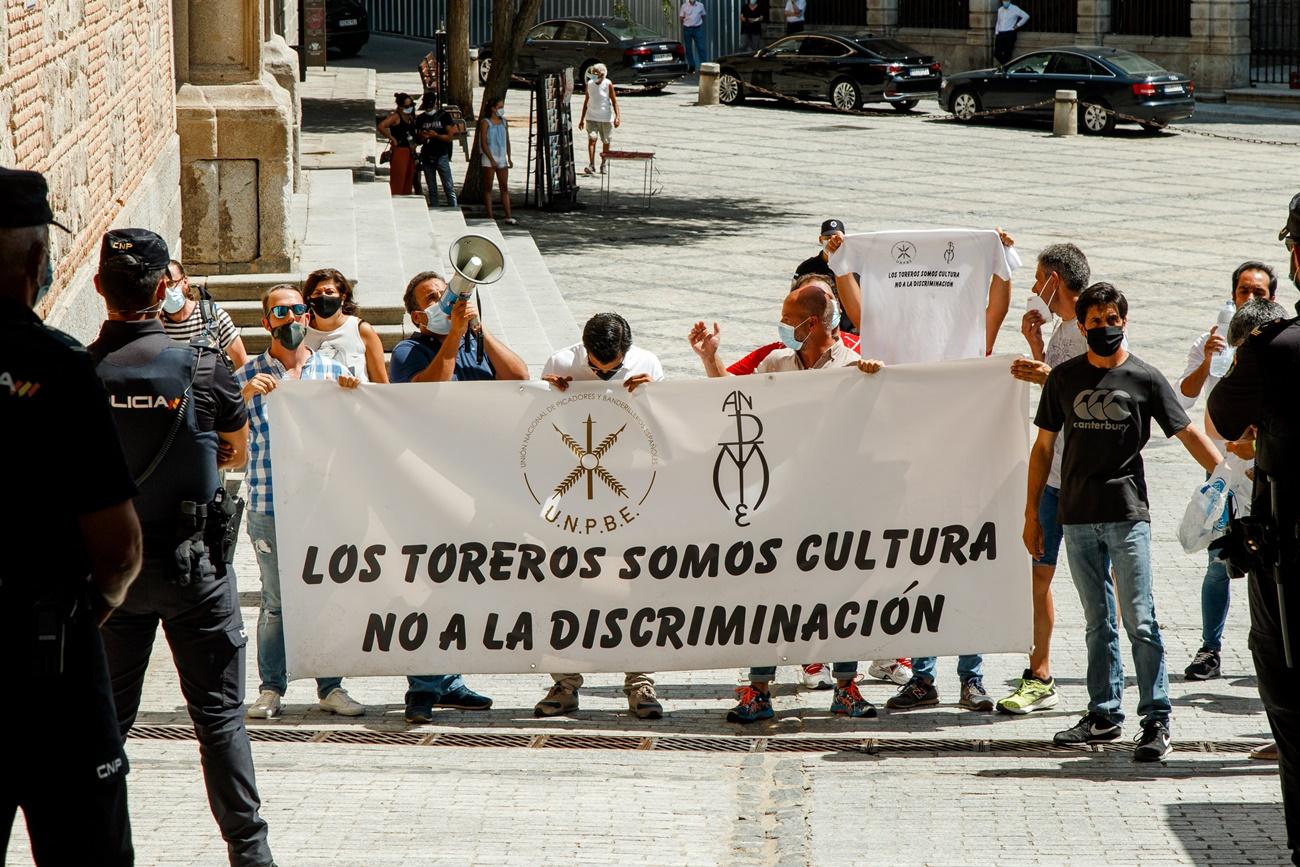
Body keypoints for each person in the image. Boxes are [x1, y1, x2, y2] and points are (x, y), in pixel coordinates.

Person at [88, 229, 275, 867]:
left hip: (113, 579)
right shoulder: (204, 368)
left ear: (97, 289)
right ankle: (250, 856)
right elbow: (236, 447)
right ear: (167, 286)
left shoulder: (81, 373)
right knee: (219, 720)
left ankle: (98, 848)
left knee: (103, 725)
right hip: (194, 571)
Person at [0, 168, 141, 866]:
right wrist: (86, 613)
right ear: (34, 260)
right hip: (48, 662)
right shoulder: (55, 366)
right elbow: (118, 549)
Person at [1026, 282, 1223, 761]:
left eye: (1112, 320)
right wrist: (1032, 513)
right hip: (1075, 517)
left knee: (1140, 618)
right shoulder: (1064, 379)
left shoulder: (1145, 379)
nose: (1104, 328)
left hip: (1127, 515)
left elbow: (1187, 431)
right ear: (1082, 325)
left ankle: (1156, 718)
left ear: (1124, 322)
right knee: (1097, 622)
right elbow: (1043, 448)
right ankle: (1103, 713)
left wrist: (1225, 481)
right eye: (1095, 322)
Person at [689, 283, 885, 722]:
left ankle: (846, 687)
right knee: (769, 596)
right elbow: (731, 395)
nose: (781, 325)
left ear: (811, 323)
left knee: (841, 596)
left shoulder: (855, 365)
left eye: (787, 316)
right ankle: (758, 692)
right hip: (781, 505)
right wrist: (709, 356)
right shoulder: (778, 362)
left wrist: (878, 381)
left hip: (837, 506)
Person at [390, 271, 529, 721]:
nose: (448, 301)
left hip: (480, 486)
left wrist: (477, 330)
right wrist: (452, 336)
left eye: (450, 295)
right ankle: (422, 688)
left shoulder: (473, 340)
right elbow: (432, 388)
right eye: (435, 298)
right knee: (431, 586)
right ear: (417, 313)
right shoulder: (409, 350)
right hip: (430, 488)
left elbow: (519, 376)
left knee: (463, 586)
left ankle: (448, 679)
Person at [1208, 194, 1300, 864]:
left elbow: (1222, 415)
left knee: (1292, 702)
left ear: (1295, 256)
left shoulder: (1276, 350)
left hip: (1291, 563)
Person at [237, 284, 365, 720]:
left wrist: (352, 395)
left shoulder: (330, 371)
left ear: (307, 317)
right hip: (269, 505)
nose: (290, 319)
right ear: (266, 321)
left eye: (296, 311)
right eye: (280, 312)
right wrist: (244, 396)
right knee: (275, 601)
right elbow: (220, 428)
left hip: (320, 507)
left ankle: (331, 686)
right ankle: (271, 688)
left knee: (325, 595)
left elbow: (360, 431)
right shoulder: (249, 374)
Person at [535, 313, 665, 719]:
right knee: (569, 588)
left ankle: (640, 684)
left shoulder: (649, 364)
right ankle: (565, 683)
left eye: (610, 370)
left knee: (635, 590)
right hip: (573, 500)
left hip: (630, 498)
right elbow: (537, 429)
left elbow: (664, 432)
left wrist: (655, 397)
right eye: (594, 367)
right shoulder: (560, 363)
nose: (600, 372)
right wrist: (546, 395)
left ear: (627, 353)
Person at [996, 242, 1091, 715]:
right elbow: (1054, 396)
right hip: (1053, 478)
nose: (1034, 288)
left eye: (1038, 279)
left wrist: (1045, 374)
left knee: (1100, 584)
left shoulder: (1096, 325)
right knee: (1038, 574)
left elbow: (1095, 391)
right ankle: (1040, 673)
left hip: (1088, 483)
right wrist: (1037, 349)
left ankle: (1108, 682)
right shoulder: (1059, 330)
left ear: (1057, 279)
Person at [1175, 261, 1277, 681]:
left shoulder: (1281, 344)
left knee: (1271, 565)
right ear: (1232, 296)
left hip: (1269, 472)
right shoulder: (1212, 340)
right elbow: (1182, 397)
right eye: (1243, 292)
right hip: (1222, 471)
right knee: (1218, 562)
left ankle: (1271, 647)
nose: (1250, 300)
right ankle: (1209, 649)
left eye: (1260, 293)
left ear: (1274, 299)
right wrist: (1208, 360)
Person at [302, 267, 389, 383]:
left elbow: (381, 384)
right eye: (317, 293)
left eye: (329, 292)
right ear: (309, 299)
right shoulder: (302, 333)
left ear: (342, 297)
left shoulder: (362, 330)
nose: (323, 297)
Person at [159, 260, 249, 368]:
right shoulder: (156, 322)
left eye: (171, 284)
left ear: (185, 281)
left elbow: (243, 365)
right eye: (162, 286)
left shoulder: (211, 314)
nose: (167, 291)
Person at [792, 219, 857, 334]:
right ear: (820, 239)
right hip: (819, 331)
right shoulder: (806, 268)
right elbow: (795, 299)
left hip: (851, 331)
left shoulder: (854, 266)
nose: (832, 241)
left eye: (836, 237)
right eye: (827, 237)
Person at [414, 98, 461, 209]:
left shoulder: (443, 116)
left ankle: (453, 208)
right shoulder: (420, 119)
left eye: (430, 106)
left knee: (448, 186)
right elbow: (418, 140)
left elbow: (450, 137)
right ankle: (435, 208)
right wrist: (423, 136)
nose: (429, 109)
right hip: (426, 155)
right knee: (432, 188)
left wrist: (436, 136)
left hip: (441, 154)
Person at [478, 96, 516, 225]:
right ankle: (490, 215)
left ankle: (508, 215)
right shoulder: (485, 123)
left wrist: (509, 157)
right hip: (489, 159)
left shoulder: (504, 122)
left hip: (501, 158)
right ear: (493, 109)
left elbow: (507, 140)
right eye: (499, 107)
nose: (501, 109)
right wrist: (491, 158)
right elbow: (483, 143)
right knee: (488, 188)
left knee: (504, 187)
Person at [578, 64, 620, 177]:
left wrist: (617, 117)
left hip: (605, 118)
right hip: (591, 117)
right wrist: (582, 119)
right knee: (592, 139)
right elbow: (586, 101)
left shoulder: (608, 84)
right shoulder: (590, 84)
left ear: (602, 74)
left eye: (597, 73)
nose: (595, 75)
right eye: (593, 73)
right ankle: (591, 164)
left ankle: (603, 163)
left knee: (606, 141)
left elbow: (614, 101)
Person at [378, 92, 419, 197]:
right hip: (400, 151)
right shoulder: (396, 117)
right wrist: (392, 139)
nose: (409, 108)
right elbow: (381, 126)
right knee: (398, 179)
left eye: (411, 105)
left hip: (410, 151)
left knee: (408, 179)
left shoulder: (410, 117)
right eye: (406, 106)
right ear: (400, 106)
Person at [994, 0, 1030, 66]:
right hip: (1000, 33)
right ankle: (1006, 66)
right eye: (1004, 0)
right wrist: (997, 33)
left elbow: (1026, 16)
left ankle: (1005, 68)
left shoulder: (1015, 8)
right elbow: (998, 22)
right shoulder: (1000, 10)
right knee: (996, 53)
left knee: (1007, 53)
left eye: (1007, 0)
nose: (1005, 2)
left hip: (1010, 34)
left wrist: (1018, 25)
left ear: (1010, 0)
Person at [679, 0, 707, 72]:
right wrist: (684, 26)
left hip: (697, 28)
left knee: (701, 47)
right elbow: (681, 18)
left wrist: (698, 23)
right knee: (688, 48)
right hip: (687, 28)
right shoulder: (684, 6)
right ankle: (692, 66)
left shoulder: (700, 5)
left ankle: (704, 66)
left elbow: (703, 15)